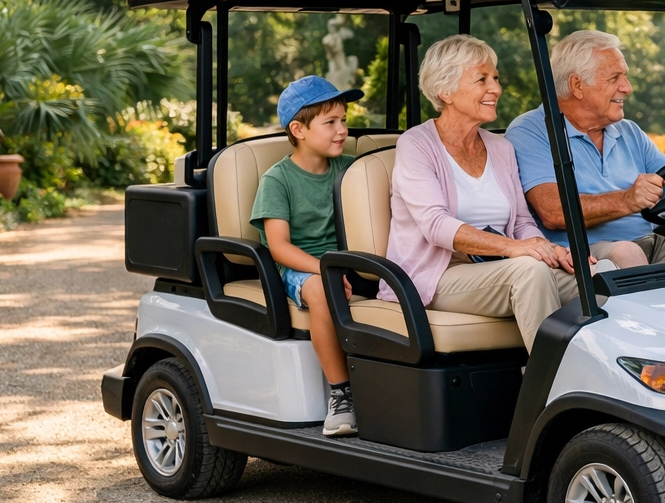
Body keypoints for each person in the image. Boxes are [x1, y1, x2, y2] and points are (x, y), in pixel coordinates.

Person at [382, 34, 614, 352]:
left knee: (604, 275)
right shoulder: (417, 144)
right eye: (482, 79)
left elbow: (521, 222)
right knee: (530, 271)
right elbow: (436, 226)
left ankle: (609, 384)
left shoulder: (500, 147)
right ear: (444, 90)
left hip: (496, 267)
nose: (496, 89)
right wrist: (516, 248)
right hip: (438, 275)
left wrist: (550, 250)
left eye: (495, 78)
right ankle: (550, 392)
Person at [507, 29, 665, 267]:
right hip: (582, 255)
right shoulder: (532, 131)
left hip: (653, 244)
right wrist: (627, 200)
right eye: (615, 78)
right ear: (577, 85)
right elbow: (554, 213)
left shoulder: (629, 132)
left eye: (624, 76)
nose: (627, 87)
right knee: (628, 253)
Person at [250, 75, 364, 437]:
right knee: (319, 290)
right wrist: (327, 271)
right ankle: (340, 394)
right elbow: (279, 247)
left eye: (344, 121)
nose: (342, 130)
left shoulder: (349, 169)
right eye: (330, 123)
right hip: (302, 268)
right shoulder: (278, 180)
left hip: (350, 262)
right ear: (298, 129)